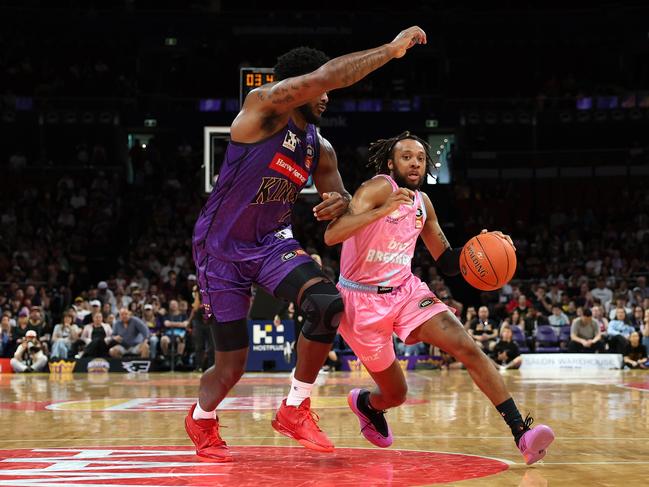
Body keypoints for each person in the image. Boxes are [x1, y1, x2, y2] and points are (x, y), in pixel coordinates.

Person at [185, 26, 428, 462]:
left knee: (326, 302)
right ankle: (201, 418)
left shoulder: (322, 150)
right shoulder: (263, 109)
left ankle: (295, 406)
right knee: (230, 368)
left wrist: (341, 202)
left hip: (272, 243)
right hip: (220, 249)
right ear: (300, 86)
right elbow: (330, 77)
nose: (327, 98)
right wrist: (390, 51)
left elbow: (346, 213)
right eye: (319, 89)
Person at [323, 131, 554, 465]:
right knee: (395, 394)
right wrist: (382, 209)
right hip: (360, 302)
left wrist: (482, 246)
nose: (415, 162)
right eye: (406, 156)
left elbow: (447, 261)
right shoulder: (376, 189)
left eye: (420, 157)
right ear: (391, 163)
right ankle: (366, 404)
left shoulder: (423, 204)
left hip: (405, 292)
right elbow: (333, 234)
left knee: (468, 347)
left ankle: (522, 434)